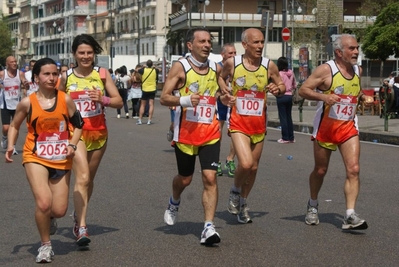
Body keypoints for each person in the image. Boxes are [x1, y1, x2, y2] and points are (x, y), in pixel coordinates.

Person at [5, 58, 83, 263]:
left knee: (58, 210)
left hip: (61, 158)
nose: (51, 78)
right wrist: (12, 145)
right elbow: (14, 125)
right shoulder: (27, 102)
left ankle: (50, 218)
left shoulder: (65, 100)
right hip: (35, 156)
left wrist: (72, 145)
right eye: (46, 74)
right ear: (36, 77)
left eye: (54, 74)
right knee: (43, 202)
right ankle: (46, 245)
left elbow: (79, 124)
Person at [160, 27, 233, 245]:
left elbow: (220, 89)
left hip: (210, 132)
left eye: (209, 41)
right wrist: (183, 100)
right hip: (185, 134)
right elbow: (164, 97)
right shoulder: (180, 67)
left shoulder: (215, 67)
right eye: (201, 41)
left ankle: (208, 227)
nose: (207, 45)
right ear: (190, 45)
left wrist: (224, 97)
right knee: (185, 178)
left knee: (210, 177)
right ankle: (174, 201)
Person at [299, 34, 368, 230]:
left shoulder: (357, 70)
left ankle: (350, 215)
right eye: (351, 48)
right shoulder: (326, 70)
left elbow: (354, 91)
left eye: (357, 48)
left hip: (348, 127)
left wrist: (362, 98)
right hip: (326, 128)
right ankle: (312, 205)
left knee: (354, 169)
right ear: (339, 52)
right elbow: (303, 90)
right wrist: (324, 97)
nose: (356, 52)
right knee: (321, 170)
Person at [58, 34, 123, 245]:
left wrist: (103, 99)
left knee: (88, 180)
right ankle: (82, 226)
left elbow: (119, 101)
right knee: (83, 178)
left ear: (94, 53)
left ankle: (78, 215)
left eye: (89, 52)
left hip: (98, 134)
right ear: (74, 54)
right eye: (81, 53)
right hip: (75, 135)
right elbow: (56, 103)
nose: (86, 56)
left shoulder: (102, 74)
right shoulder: (66, 77)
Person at [219, 28, 285, 224]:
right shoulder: (233, 63)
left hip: (259, 123)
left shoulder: (269, 66)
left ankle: (244, 203)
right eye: (255, 43)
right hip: (239, 121)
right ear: (245, 45)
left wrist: (277, 89)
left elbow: (283, 86)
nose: (260, 46)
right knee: (245, 163)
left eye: (262, 42)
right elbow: (221, 77)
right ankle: (235, 191)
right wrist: (224, 91)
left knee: (254, 168)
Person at [0, 56, 30, 154]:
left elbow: (25, 82)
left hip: (17, 104)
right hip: (5, 103)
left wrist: (25, 83)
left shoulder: (20, 73)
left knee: (16, 126)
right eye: (12, 62)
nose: (14, 63)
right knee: (6, 127)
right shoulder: (2, 74)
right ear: (7, 64)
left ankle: (12, 147)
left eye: (15, 61)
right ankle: (4, 138)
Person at [216, 43, 237, 177]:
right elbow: (212, 90)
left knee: (235, 133)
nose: (234, 56)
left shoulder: (239, 67)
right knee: (217, 133)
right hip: (220, 104)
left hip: (234, 104)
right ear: (223, 55)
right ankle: (215, 161)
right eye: (231, 53)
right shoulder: (217, 68)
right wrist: (221, 95)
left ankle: (230, 159)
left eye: (235, 53)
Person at [276, 56, 296, 143]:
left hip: (281, 95)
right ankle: (291, 137)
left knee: (283, 117)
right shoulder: (291, 72)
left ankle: (285, 137)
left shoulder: (279, 74)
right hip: (289, 96)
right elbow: (294, 85)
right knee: (288, 117)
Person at [136, 59, 159, 125]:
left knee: (143, 105)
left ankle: (140, 119)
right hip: (152, 89)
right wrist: (154, 67)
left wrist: (143, 67)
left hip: (145, 89)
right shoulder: (155, 70)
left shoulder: (143, 70)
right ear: (152, 64)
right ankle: (149, 120)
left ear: (146, 64)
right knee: (151, 104)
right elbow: (159, 70)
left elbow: (137, 70)